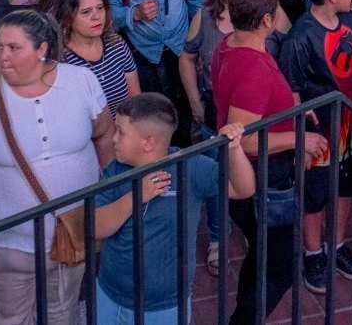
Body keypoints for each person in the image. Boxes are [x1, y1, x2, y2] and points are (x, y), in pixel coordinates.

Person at [0, 10, 113, 325]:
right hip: (4, 247)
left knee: (61, 314)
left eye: (14, 48)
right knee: (7, 319)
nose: (2, 56)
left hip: (72, 235)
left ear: (42, 50)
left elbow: (104, 133)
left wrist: (106, 190)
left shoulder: (81, 81)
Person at [213, 0, 329, 325]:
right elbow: (244, 140)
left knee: (263, 254)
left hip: (256, 174)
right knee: (281, 268)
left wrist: (291, 111)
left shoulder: (230, 44)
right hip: (265, 175)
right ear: (266, 20)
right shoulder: (254, 71)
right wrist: (301, 139)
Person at [90, 94, 253, 325]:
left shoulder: (190, 167)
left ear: (148, 142)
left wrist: (235, 150)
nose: (113, 139)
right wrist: (137, 196)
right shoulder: (115, 171)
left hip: (165, 306)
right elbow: (95, 226)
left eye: (121, 132)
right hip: (111, 297)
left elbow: (242, 188)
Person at [277, 0, 352, 293]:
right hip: (318, 134)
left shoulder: (351, 21)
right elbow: (292, 93)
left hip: (350, 128)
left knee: (346, 189)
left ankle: (336, 247)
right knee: (313, 195)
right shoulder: (299, 38)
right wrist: (301, 140)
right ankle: (313, 253)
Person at [55, 0, 141, 115]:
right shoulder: (60, 59)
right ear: (68, 16)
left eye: (100, 8)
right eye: (86, 12)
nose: (96, 16)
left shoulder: (117, 44)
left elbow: (135, 98)